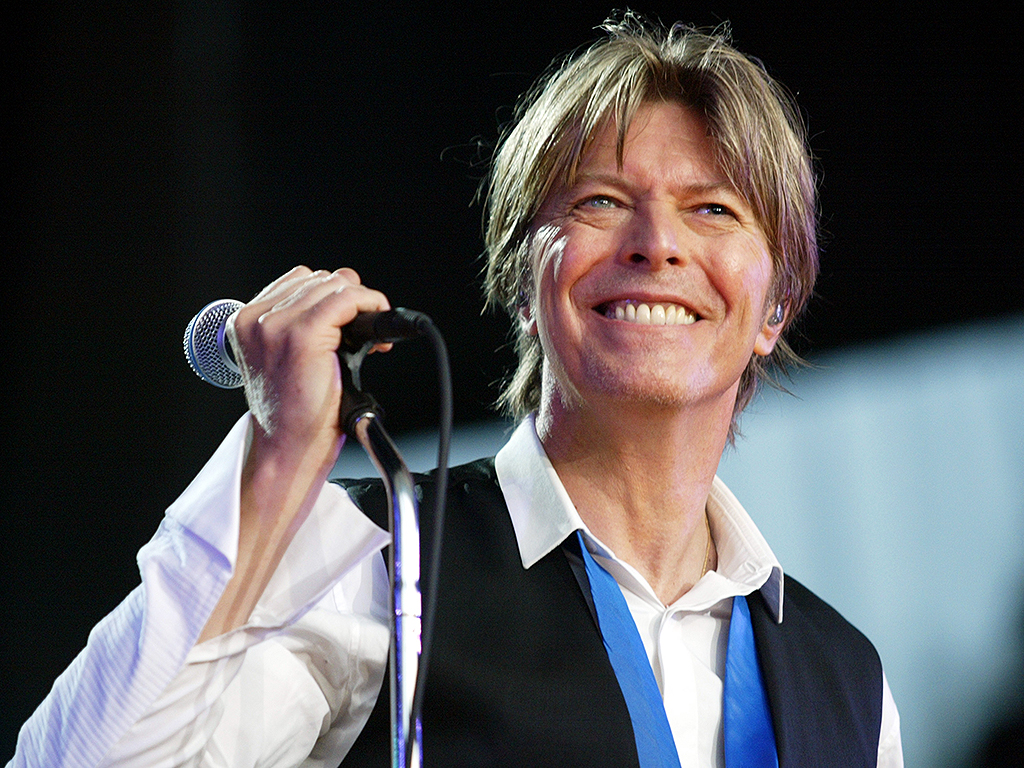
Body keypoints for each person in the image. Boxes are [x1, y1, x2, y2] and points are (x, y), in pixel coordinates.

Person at [9, 14, 903, 768]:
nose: (655, 243)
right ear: (522, 280)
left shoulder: (847, 680)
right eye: (598, 200)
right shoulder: (374, 563)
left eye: (714, 209)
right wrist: (281, 466)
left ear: (775, 306)